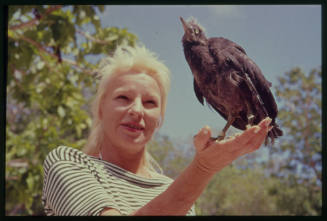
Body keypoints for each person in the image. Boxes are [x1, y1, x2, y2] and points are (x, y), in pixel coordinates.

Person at [42, 45, 272, 216]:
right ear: (100, 108)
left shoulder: (174, 193)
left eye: (150, 103)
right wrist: (203, 168)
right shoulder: (68, 164)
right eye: (123, 97)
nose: (137, 111)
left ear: (160, 118)